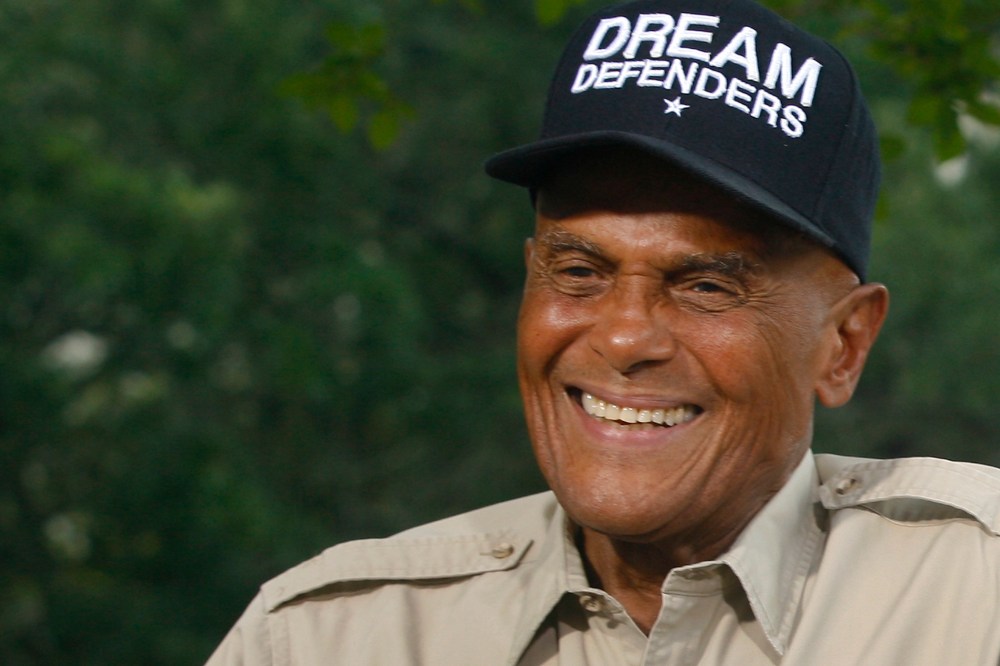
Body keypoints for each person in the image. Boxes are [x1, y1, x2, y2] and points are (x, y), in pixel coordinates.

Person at [206, 1, 1000, 664]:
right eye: (579, 272)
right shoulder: (328, 639)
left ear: (844, 344)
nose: (624, 338)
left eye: (707, 286)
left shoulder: (975, 597)